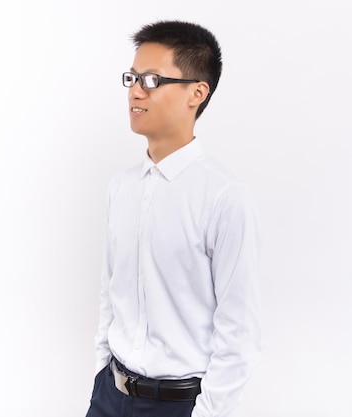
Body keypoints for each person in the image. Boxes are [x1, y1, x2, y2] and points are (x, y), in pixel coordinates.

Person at [86, 20, 262, 417]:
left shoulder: (224, 197)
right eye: (132, 77)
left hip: (178, 405)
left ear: (196, 93)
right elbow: (110, 293)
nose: (135, 90)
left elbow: (240, 332)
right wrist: (102, 372)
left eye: (151, 80)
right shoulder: (122, 187)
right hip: (109, 396)